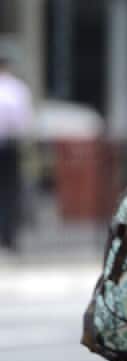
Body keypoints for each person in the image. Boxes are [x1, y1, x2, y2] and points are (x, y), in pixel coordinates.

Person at [0, 52, 32, 252]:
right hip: (12, 144)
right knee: (11, 191)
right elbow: (24, 121)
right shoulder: (18, 89)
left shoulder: (17, 88)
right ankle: (9, 235)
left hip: (8, 142)